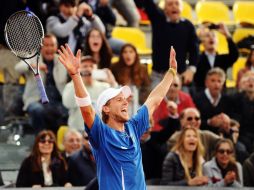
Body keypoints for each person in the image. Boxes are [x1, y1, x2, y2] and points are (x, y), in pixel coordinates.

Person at [57, 43, 177, 189]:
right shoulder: (101, 133)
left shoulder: (133, 127)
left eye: (125, 99)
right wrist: (76, 75)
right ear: (106, 109)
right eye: (119, 100)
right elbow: (87, 110)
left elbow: (154, 100)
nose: (126, 103)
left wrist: (171, 73)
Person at [137, 0, 199, 88]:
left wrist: (191, 70)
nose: (174, 6)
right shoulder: (158, 19)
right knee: (152, 99)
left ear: (181, 8)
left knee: (187, 99)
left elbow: (195, 50)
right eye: (170, 4)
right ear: (164, 9)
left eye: (177, 3)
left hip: (179, 76)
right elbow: (148, 4)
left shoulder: (188, 26)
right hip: (159, 75)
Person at [15, 34, 68, 134]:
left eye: (52, 45)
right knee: (37, 110)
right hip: (36, 100)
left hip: (58, 101)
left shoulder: (61, 60)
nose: (49, 48)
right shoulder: (33, 57)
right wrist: (34, 66)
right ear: (40, 47)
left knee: (69, 110)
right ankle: (41, 137)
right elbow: (18, 68)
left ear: (56, 47)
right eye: (46, 45)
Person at [62, 55, 117, 131]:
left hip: (99, 130)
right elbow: (67, 103)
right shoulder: (71, 85)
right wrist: (75, 79)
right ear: (79, 70)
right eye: (85, 66)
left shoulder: (105, 87)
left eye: (91, 66)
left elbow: (115, 106)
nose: (88, 69)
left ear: (96, 69)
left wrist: (112, 82)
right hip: (77, 131)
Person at [194, 23, 239, 90]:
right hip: (201, 94)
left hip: (221, 94)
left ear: (217, 42)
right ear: (202, 42)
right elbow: (190, 54)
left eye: (213, 36)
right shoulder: (197, 58)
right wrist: (198, 39)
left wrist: (227, 35)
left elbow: (234, 55)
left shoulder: (223, 58)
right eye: (207, 36)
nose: (211, 38)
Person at [110, 43, 151, 114]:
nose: (128, 55)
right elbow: (112, 88)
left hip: (138, 104)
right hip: (119, 104)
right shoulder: (114, 68)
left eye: (131, 52)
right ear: (121, 55)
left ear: (135, 54)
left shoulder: (142, 69)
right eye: (125, 52)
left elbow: (146, 89)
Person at [193, 68, 232, 134]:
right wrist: (209, 122)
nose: (216, 84)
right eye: (213, 81)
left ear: (223, 84)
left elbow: (233, 118)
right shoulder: (196, 98)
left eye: (219, 81)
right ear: (206, 83)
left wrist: (227, 121)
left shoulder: (227, 100)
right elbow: (193, 121)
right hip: (201, 134)